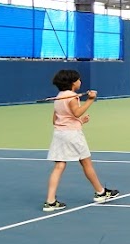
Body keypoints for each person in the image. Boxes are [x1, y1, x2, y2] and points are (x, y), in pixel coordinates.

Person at [43, 69, 119, 211]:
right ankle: (101, 193)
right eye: (78, 80)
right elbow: (77, 112)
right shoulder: (72, 96)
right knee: (86, 163)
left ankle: (50, 201)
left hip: (59, 134)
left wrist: (79, 121)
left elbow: (56, 120)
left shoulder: (59, 97)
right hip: (72, 135)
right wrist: (90, 100)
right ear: (72, 83)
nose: (80, 82)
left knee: (59, 166)